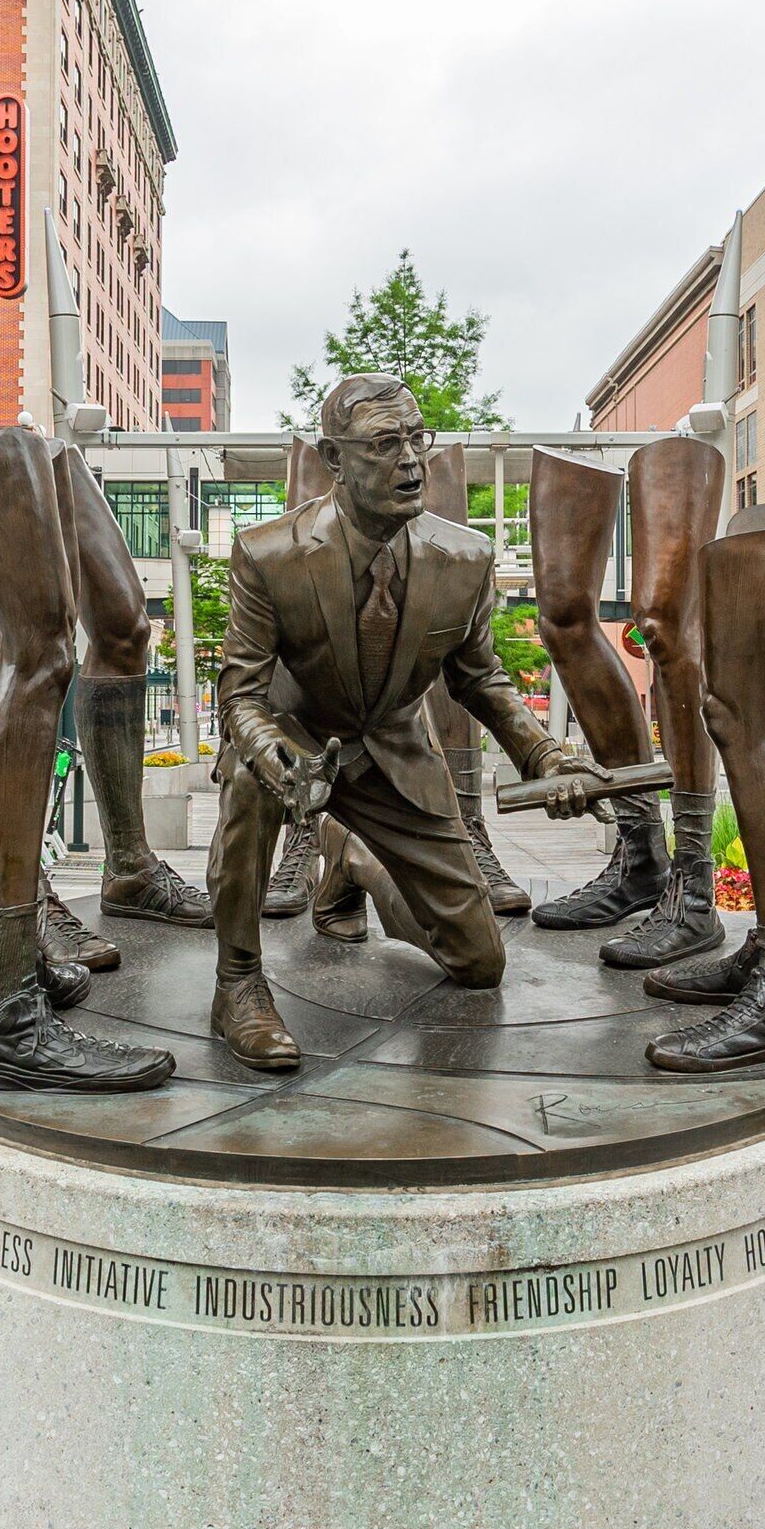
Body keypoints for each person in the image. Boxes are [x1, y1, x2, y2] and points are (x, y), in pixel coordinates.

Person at [204, 376, 602, 1072]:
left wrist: (546, 757)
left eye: (418, 440)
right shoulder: (268, 554)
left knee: (480, 964)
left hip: (394, 752)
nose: (412, 461)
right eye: (385, 445)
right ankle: (237, 981)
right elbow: (240, 695)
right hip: (297, 744)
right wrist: (275, 755)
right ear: (333, 458)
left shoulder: (466, 558)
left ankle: (353, 862)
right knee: (244, 771)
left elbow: (481, 680)